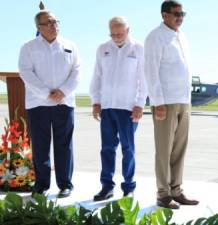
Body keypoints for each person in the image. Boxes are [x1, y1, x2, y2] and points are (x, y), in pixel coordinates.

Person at [18, 11, 80, 198]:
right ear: (39, 27)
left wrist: (63, 91)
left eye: (55, 21)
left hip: (64, 102)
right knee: (40, 145)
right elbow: (26, 73)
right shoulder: (28, 48)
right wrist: (46, 93)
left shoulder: (70, 45)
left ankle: (65, 184)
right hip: (38, 104)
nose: (54, 25)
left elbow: (77, 71)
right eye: (49, 22)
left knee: (64, 145)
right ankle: (42, 184)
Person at [144, 0, 198, 209]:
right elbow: (151, 71)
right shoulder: (155, 37)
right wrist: (157, 102)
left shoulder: (181, 36)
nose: (180, 17)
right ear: (164, 15)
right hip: (165, 101)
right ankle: (163, 194)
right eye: (176, 13)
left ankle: (176, 190)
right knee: (164, 150)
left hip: (184, 100)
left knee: (179, 149)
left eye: (183, 13)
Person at [90, 17, 147, 201]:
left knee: (128, 148)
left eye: (120, 34)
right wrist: (96, 101)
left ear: (128, 30)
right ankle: (106, 186)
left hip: (128, 108)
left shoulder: (138, 48)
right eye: (113, 34)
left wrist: (140, 104)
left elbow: (144, 79)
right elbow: (97, 76)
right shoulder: (103, 49)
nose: (116, 37)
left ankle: (128, 187)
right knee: (107, 148)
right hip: (107, 106)